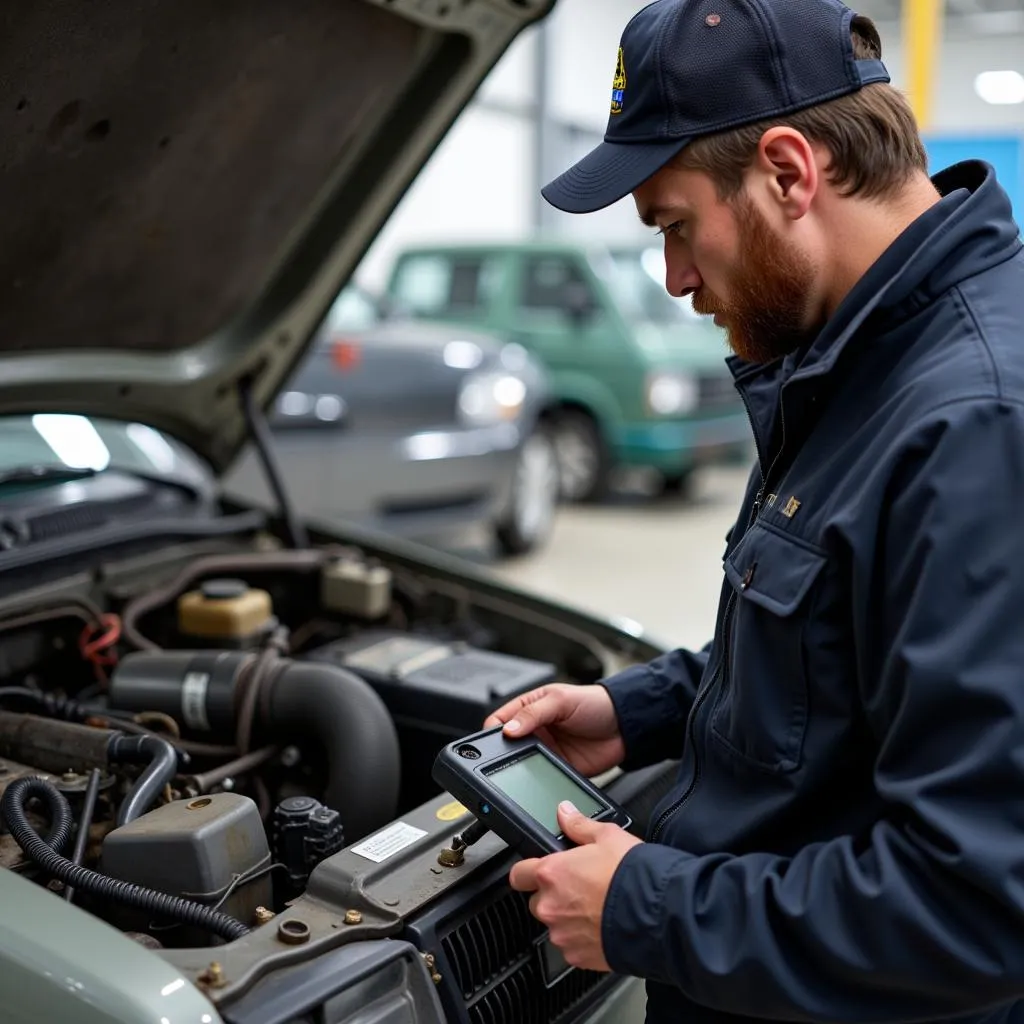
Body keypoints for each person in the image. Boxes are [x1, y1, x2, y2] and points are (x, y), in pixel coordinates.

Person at [483, 0, 1024, 1021]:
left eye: (675, 227)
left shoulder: (976, 428)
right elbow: (842, 662)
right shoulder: (858, 360)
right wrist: (638, 711)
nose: (676, 278)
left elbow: (982, 900)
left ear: (788, 171)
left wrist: (650, 907)